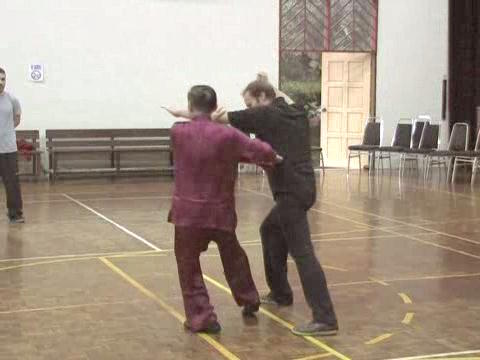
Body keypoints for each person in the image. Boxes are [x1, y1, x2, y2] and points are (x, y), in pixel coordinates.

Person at [212, 80, 338, 337]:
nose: (248, 109)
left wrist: (206, 115)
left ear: (261, 98)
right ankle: (281, 293)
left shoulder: (266, 114)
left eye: (250, 103)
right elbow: (283, 97)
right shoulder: (295, 111)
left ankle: (325, 318)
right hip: (301, 187)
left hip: (291, 191)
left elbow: (226, 117)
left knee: (303, 254)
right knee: (269, 230)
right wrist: (268, 81)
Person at [164, 85, 281, 334]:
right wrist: (273, 158)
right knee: (234, 257)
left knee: (188, 266)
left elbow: (196, 124)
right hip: (220, 212)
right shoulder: (228, 136)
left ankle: (202, 317)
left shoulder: (178, 132)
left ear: (190, 106)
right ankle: (249, 298)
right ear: (216, 107)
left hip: (187, 215)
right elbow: (262, 151)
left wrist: (184, 114)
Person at [0, 67, 24, 224]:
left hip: (8, 149)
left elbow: (17, 119)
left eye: (3, 79)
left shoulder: (12, 100)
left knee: (12, 183)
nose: (1, 82)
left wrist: (6, 132)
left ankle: (15, 213)